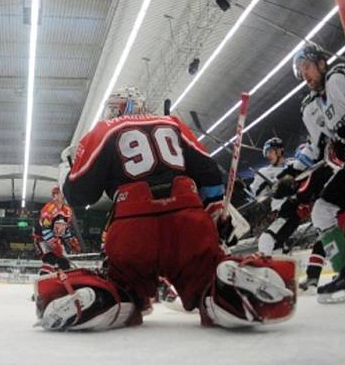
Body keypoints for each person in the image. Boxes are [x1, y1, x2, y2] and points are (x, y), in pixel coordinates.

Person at [35, 86, 296, 331]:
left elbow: (80, 194)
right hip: (186, 216)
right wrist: (217, 212)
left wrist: (66, 172)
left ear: (127, 107)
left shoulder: (104, 130)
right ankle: (230, 289)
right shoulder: (172, 123)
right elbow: (209, 172)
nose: (113, 111)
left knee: (124, 289)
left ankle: (102, 299)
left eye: (117, 106)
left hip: (133, 223)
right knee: (205, 282)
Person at [293, 41, 345, 302]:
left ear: (320, 62)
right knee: (321, 211)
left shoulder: (340, 76)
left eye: (306, 66)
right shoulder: (311, 107)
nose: (304, 74)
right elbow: (315, 147)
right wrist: (290, 173)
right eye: (299, 71)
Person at [34, 186, 79, 276]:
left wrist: (70, 240)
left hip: (56, 239)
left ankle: (63, 284)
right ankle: (44, 282)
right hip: (42, 239)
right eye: (56, 194)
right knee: (50, 259)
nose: (60, 196)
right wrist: (54, 244)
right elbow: (45, 229)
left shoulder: (68, 211)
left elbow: (65, 230)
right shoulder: (48, 209)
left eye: (60, 193)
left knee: (65, 264)